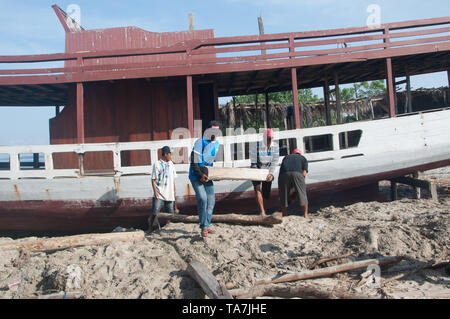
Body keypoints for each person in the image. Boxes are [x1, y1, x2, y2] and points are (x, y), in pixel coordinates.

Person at [189, 120, 221, 238]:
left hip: (207, 176)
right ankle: (203, 227)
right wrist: (200, 175)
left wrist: (213, 174)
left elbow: (210, 162)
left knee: (211, 201)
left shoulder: (216, 144)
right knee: (203, 199)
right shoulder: (200, 142)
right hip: (195, 175)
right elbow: (193, 161)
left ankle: (206, 225)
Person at [250, 128, 280, 217]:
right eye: (268, 138)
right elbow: (253, 162)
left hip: (267, 170)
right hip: (257, 168)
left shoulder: (275, 147)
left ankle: (264, 210)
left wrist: (270, 173)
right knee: (257, 189)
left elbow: (275, 161)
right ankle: (262, 211)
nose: (269, 140)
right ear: (264, 137)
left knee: (266, 192)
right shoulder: (256, 146)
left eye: (270, 138)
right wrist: (258, 173)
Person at [148, 146, 178, 232]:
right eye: (170, 154)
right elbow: (153, 179)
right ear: (165, 154)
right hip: (160, 192)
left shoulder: (171, 164)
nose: (171, 156)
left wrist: (174, 190)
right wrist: (155, 192)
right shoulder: (157, 164)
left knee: (170, 213)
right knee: (155, 211)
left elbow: (173, 179)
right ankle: (150, 228)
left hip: (169, 192)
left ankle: (168, 229)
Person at [278, 149, 309, 218]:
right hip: (297, 173)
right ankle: (305, 214)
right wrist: (301, 183)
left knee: (284, 194)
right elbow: (304, 172)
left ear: (292, 153)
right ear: (299, 154)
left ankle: (284, 214)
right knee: (302, 194)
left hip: (284, 174)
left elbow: (282, 169)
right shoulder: (303, 158)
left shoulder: (286, 157)